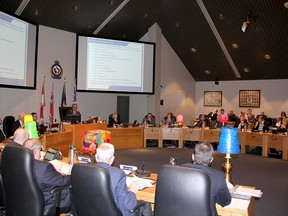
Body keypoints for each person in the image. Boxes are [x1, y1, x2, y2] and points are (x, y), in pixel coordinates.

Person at [95, 143, 152, 216]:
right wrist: (132, 190)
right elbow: (128, 205)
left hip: (93, 211)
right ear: (112, 159)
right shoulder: (118, 174)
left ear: (96, 157)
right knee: (146, 204)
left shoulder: (84, 170)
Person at [23, 138, 74, 215]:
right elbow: (63, 181)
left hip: (27, 199)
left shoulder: (19, 162)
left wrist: (52, 172)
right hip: (48, 201)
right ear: (36, 151)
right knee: (75, 193)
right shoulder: (44, 167)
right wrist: (73, 175)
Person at [182, 141, 231, 216]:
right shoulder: (218, 177)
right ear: (211, 159)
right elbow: (225, 202)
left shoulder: (178, 169)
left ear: (192, 156)